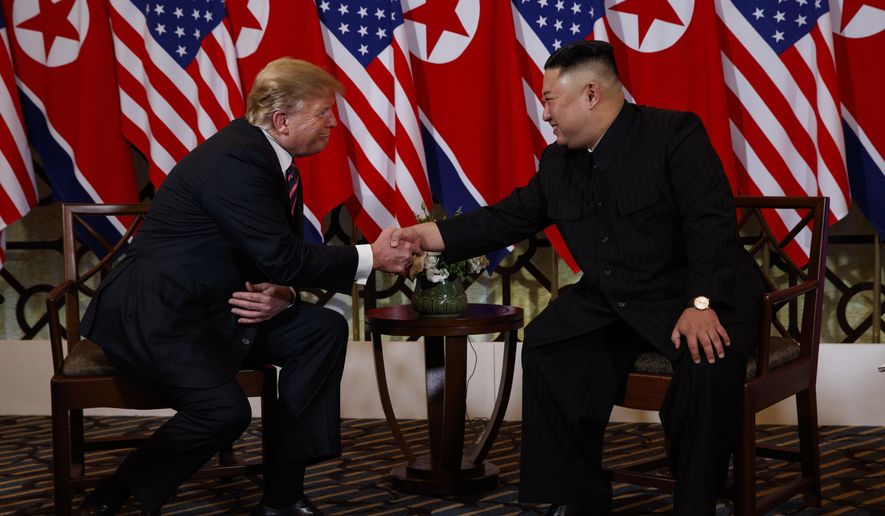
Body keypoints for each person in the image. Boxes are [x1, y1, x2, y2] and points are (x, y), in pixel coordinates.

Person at [392, 41, 764, 515]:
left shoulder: (674, 133)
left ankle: (698, 504)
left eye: (549, 99)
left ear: (591, 94)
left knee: (705, 363)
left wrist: (701, 304)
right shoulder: (557, 163)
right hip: (617, 300)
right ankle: (579, 500)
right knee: (549, 341)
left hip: (697, 292)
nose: (544, 113)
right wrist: (421, 237)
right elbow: (502, 219)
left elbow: (710, 225)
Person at [77, 58, 420, 516]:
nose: (332, 123)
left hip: (219, 306)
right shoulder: (236, 160)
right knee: (225, 413)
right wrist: (372, 256)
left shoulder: (265, 158)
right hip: (161, 315)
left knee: (321, 330)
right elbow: (282, 255)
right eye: (322, 112)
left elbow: (268, 257)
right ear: (281, 120)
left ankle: (283, 495)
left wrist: (285, 295)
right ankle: (118, 487)